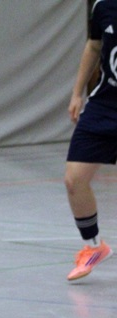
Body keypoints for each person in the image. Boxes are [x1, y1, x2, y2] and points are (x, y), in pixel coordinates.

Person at [63, 0, 117, 281]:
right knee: (74, 179)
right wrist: (77, 93)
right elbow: (94, 46)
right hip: (104, 105)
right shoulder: (103, 6)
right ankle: (95, 247)